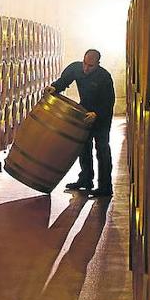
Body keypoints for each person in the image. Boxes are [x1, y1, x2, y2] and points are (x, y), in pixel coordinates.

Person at [45, 48, 116, 198]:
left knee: (102, 149)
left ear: (98, 64)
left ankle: (105, 187)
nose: (86, 68)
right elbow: (64, 80)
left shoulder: (104, 77)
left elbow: (109, 101)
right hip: (84, 111)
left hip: (101, 116)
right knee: (83, 147)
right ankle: (85, 179)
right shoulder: (76, 68)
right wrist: (54, 87)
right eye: (85, 63)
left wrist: (97, 114)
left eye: (90, 66)